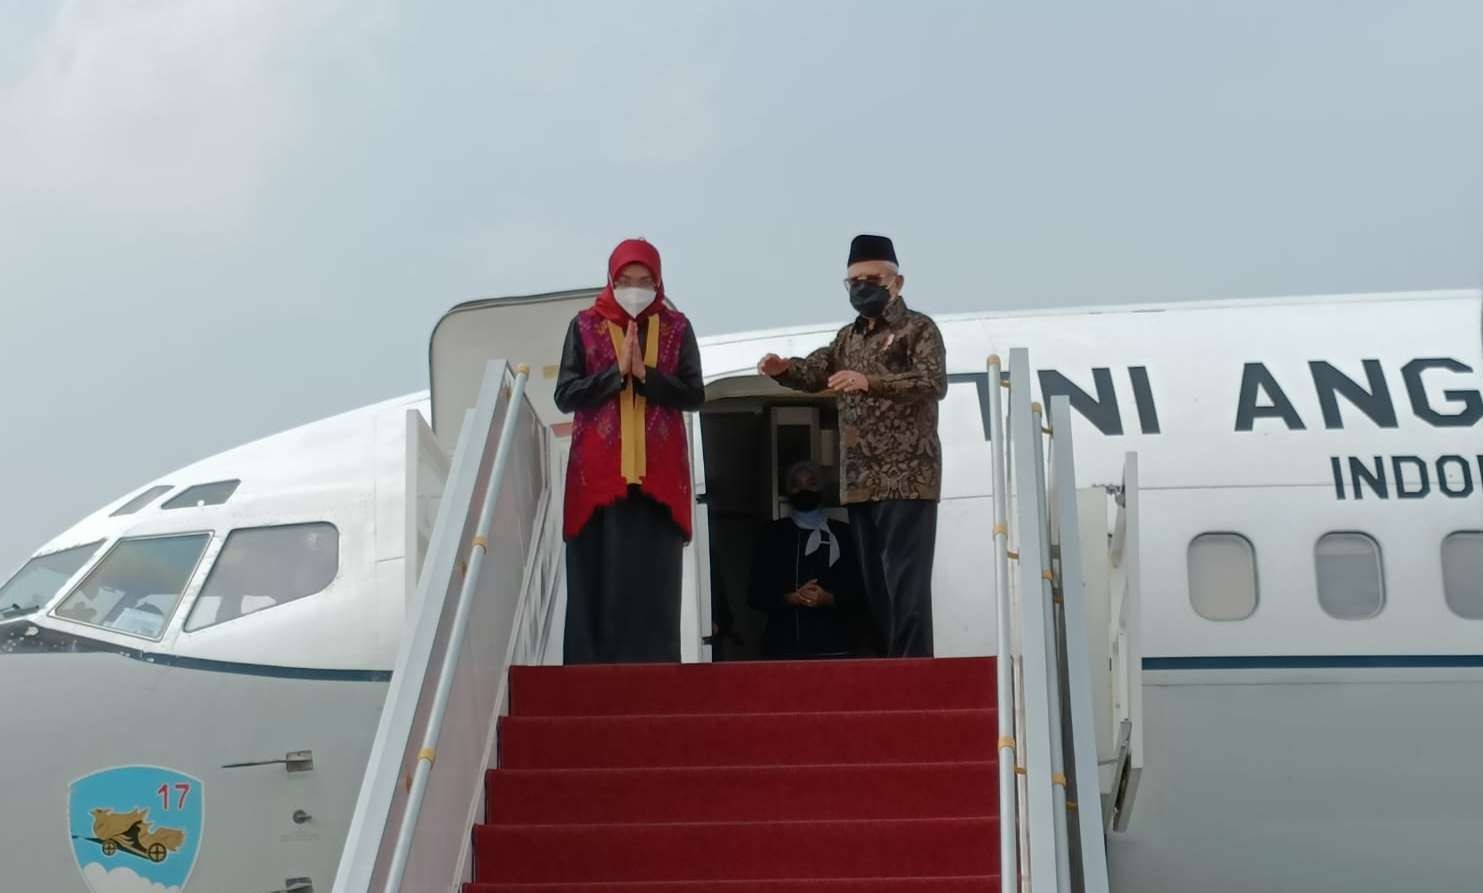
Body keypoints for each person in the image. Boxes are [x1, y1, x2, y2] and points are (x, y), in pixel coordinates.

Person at [758, 234, 946, 657]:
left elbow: (933, 383)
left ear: (897, 282)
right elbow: (815, 372)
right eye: (853, 281)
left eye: (871, 278)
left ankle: (914, 673)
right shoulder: (848, 338)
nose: (862, 287)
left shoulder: (918, 329)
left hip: (907, 479)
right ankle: (887, 669)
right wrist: (784, 370)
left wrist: (871, 382)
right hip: (860, 482)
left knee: (906, 585)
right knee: (874, 586)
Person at [555, 238, 704, 663]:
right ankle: (590, 680)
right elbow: (566, 395)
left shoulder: (677, 327)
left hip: (658, 476)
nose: (634, 288)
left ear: (658, 283)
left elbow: (694, 394)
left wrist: (645, 374)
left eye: (644, 281)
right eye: (625, 280)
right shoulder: (585, 325)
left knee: (653, 580)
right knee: (597, 576)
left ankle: (654, 678)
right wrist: (615, 374)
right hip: (598, 475)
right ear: (611, 279)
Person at [748, 461, 863, 659]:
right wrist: (788, 598)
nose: (803, 489)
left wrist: (830, 599)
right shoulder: (772, 534)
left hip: (836, 648)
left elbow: (862, 592)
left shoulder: (845, 534)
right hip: (783, 649)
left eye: (811, 483)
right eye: (796, 484)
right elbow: (755, 594)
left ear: (822, 488)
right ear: (788, 490)